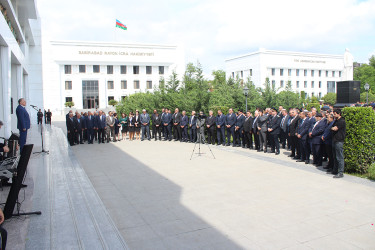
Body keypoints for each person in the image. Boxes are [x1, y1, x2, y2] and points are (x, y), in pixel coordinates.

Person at [331, 109, 346, 178]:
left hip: (339, 141)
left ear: (339, 114)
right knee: (335, 156)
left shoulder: (342, 121)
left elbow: (335, 128)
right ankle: (335, 170)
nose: (334, 115)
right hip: (334, 140)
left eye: (335, 114)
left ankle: (340, 172)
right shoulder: (336, 121)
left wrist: (333, 128)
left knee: (339, 157)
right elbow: (331, 128)